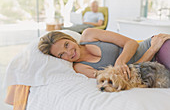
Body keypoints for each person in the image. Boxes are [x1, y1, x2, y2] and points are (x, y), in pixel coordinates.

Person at [38, 28, 170, 79]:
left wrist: (120, 61)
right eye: (61, 55)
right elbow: (124, 76)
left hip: (155, 46)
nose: (69, 52)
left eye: (66, 45)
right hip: (151, 63)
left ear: (71, 39)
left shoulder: (89, 35)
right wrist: (151, 52)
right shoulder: (80, 68)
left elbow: (131, 43)